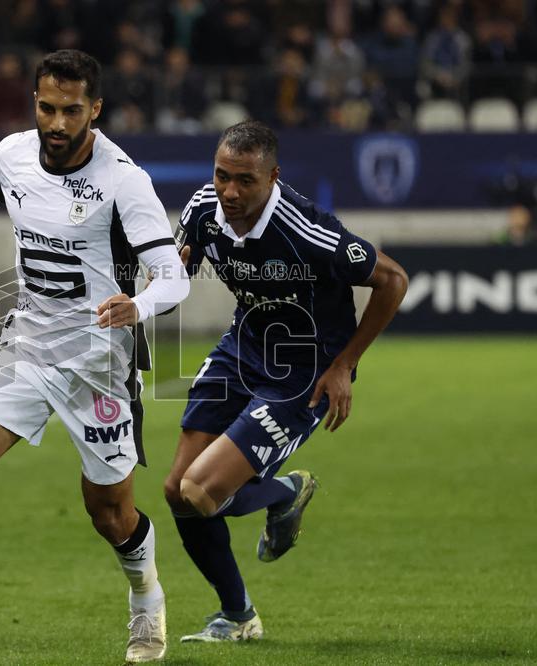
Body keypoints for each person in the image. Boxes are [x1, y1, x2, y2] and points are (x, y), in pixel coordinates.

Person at [0, 50, 189, 663]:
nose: (56, 124)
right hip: (28, 340)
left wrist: (137, 308)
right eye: (46, 108)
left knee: (110, 514)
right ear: (34, 101)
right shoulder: (10, 155)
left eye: (70, 111)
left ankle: (147, 601)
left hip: (98, 362)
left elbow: (174, 278)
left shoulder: (125, 180)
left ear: (95, 109)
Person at [165, 121, 408, 642]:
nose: (229, 191)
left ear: (273, 177)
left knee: (201, 493)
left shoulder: (308, 233)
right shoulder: (204, 208)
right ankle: (237, 616)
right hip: (242, 348)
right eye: (221, 175)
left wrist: (344, 365)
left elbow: (393, 279)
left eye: (244, 181)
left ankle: (284, 492)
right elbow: (177, 266)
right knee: (176, 491)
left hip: (305, 372)